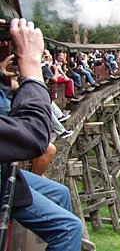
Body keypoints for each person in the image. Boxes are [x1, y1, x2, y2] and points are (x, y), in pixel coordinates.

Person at [0, 18, 82, 250]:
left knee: (61, 191)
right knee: (70, 228)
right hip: (4, 182)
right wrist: (30, 65)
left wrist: (4, 76)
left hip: (6, 172)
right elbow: (33, 137)